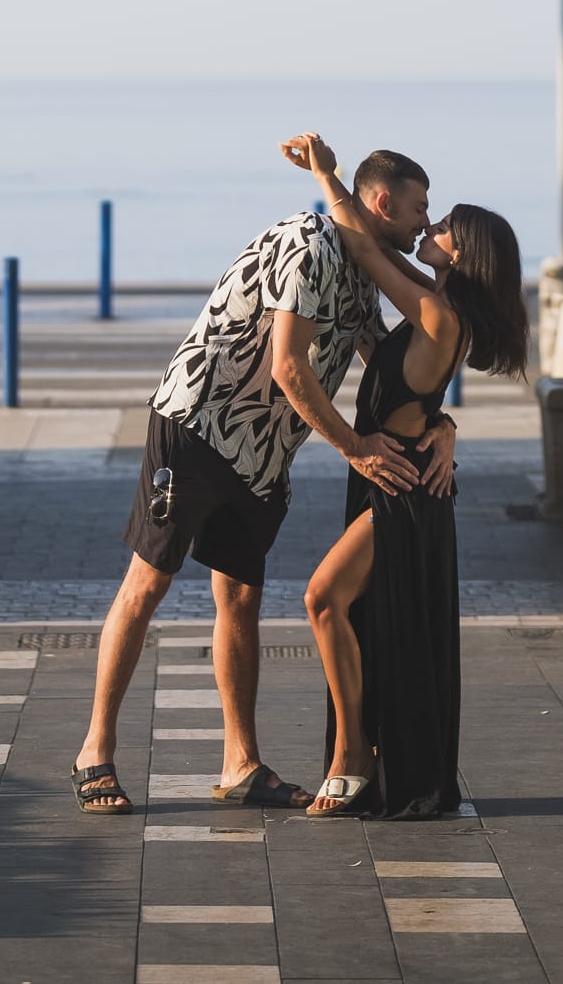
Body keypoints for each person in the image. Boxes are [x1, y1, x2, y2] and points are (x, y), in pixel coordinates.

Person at [70, 149, 459, 814]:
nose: (424, 226)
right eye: (419, 208)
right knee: (148, 582)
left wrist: (439, 424)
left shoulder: (364, 271)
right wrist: (355, 449)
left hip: (261, 456)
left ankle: (240, 763)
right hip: (196, 428)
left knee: (241, 601)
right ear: (383, 204)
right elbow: (287, 366)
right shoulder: (308, 246)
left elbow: (393, 368)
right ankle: (94, 753)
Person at [283, 129, 528, 819]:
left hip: (400, 483)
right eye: (427, 212)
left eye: (443, 224)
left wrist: (328, 176)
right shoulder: (434, 303)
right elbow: (410, 388)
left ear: (462, 250)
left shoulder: (437, 313)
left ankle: (354, 753)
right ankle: (363, 751)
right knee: (359, 612)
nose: (431, 222)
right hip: (397, 470)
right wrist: (442, 427)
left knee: (323, 600)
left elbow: (362, 246)